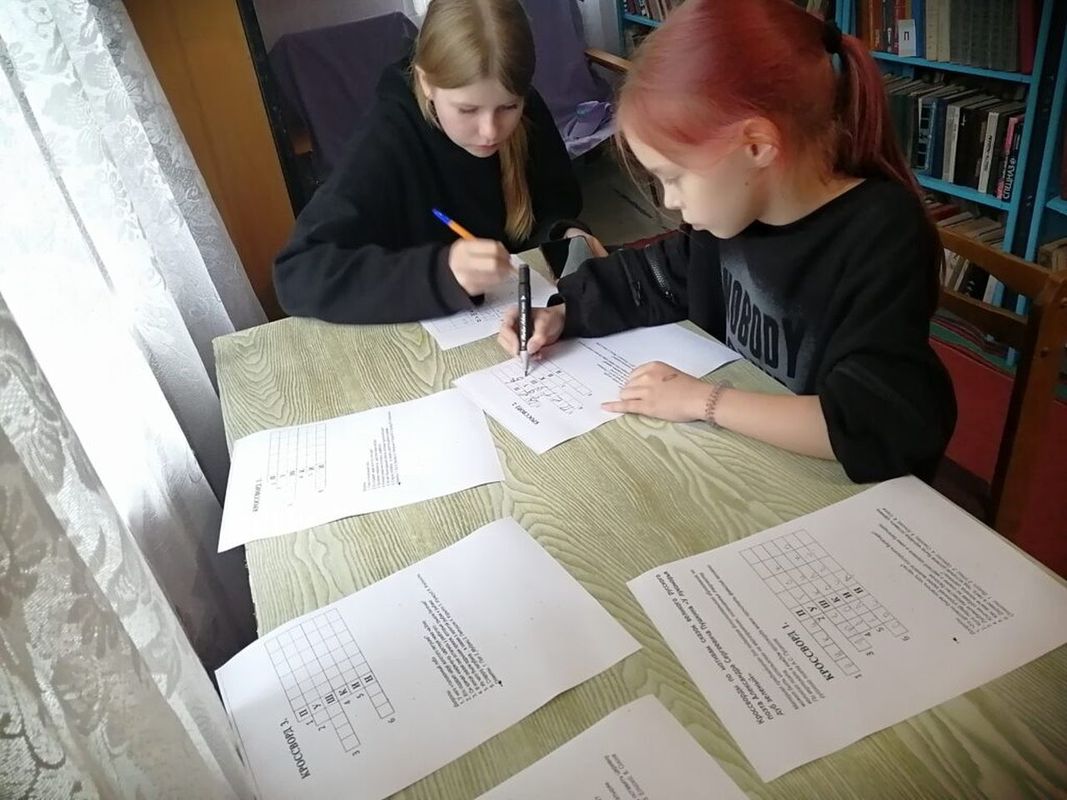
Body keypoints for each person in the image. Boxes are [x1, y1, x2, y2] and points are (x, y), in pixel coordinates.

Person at [499, 0, 957, 483]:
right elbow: (659, 275)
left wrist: (702, 400)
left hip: (839, 489)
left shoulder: (880, 235)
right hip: (746, 461)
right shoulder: (737, 211)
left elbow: (869, 423)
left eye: (674, 176)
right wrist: (564, 312)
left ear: (756, 146)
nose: (670, 201)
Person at [274, 0, 592, 324]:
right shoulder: (388, 138)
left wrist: (564, 235)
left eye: (509, 107)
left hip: (514, 317)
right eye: (467, 110)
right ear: (426, 83)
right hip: (418, 335)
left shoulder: (526, 109)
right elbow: (297, 273)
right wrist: (442, 275)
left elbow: (554, 206)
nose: (490, 131)